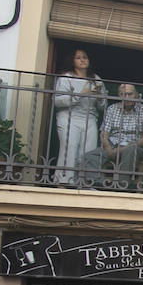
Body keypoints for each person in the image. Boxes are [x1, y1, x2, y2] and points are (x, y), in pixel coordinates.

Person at [52, 48, 104, 184]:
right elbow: (57, 100)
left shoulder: (96, 79)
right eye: (79, 58)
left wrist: (99, 98)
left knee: (89, 151)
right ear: (72, 61)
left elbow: (103, 105)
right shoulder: (66, 78)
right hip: (69, 117)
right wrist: (80, 94)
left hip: (90, 118)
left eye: (85, 57)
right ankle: (63, 182)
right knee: (69, 148)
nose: (83, 60)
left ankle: (84, 183)